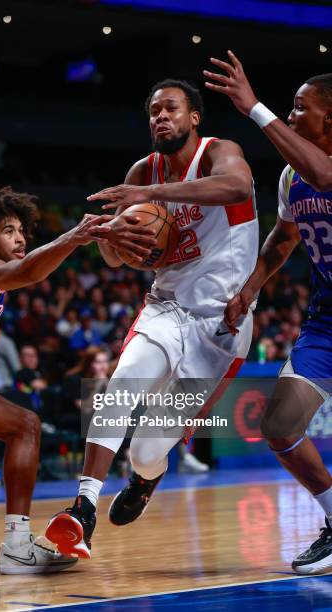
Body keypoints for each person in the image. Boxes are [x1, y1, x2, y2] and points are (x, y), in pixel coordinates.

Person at [45, 79, 259, 559]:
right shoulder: (143, 169)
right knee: (122, 384)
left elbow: (239, 185)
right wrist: (112, 234)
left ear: (193, 117)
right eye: (154, 111)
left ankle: (146, 478)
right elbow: (115, 262)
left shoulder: (218, 152)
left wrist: (152, 193)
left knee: (147, 450)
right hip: (165, 307)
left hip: (220, 324)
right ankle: (83, 508)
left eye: (171, 108)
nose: (161, 117)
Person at [0, 184, 155, 574]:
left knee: (23, 426)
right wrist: (75, 237)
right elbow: (26, 271)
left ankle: (17, 544)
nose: (20, 238)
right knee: (24, 426)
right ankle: (15, 547)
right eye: (8, 231)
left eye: (21, 230)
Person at [204, 52, 332, 574]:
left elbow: (325, 174)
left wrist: (254, 106)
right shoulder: (288, 178)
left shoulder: (317, 169)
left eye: (301, 108)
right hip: (328, 315)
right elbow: (284, 240)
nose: (292, 114)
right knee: (278, 424)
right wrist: (249, 291)